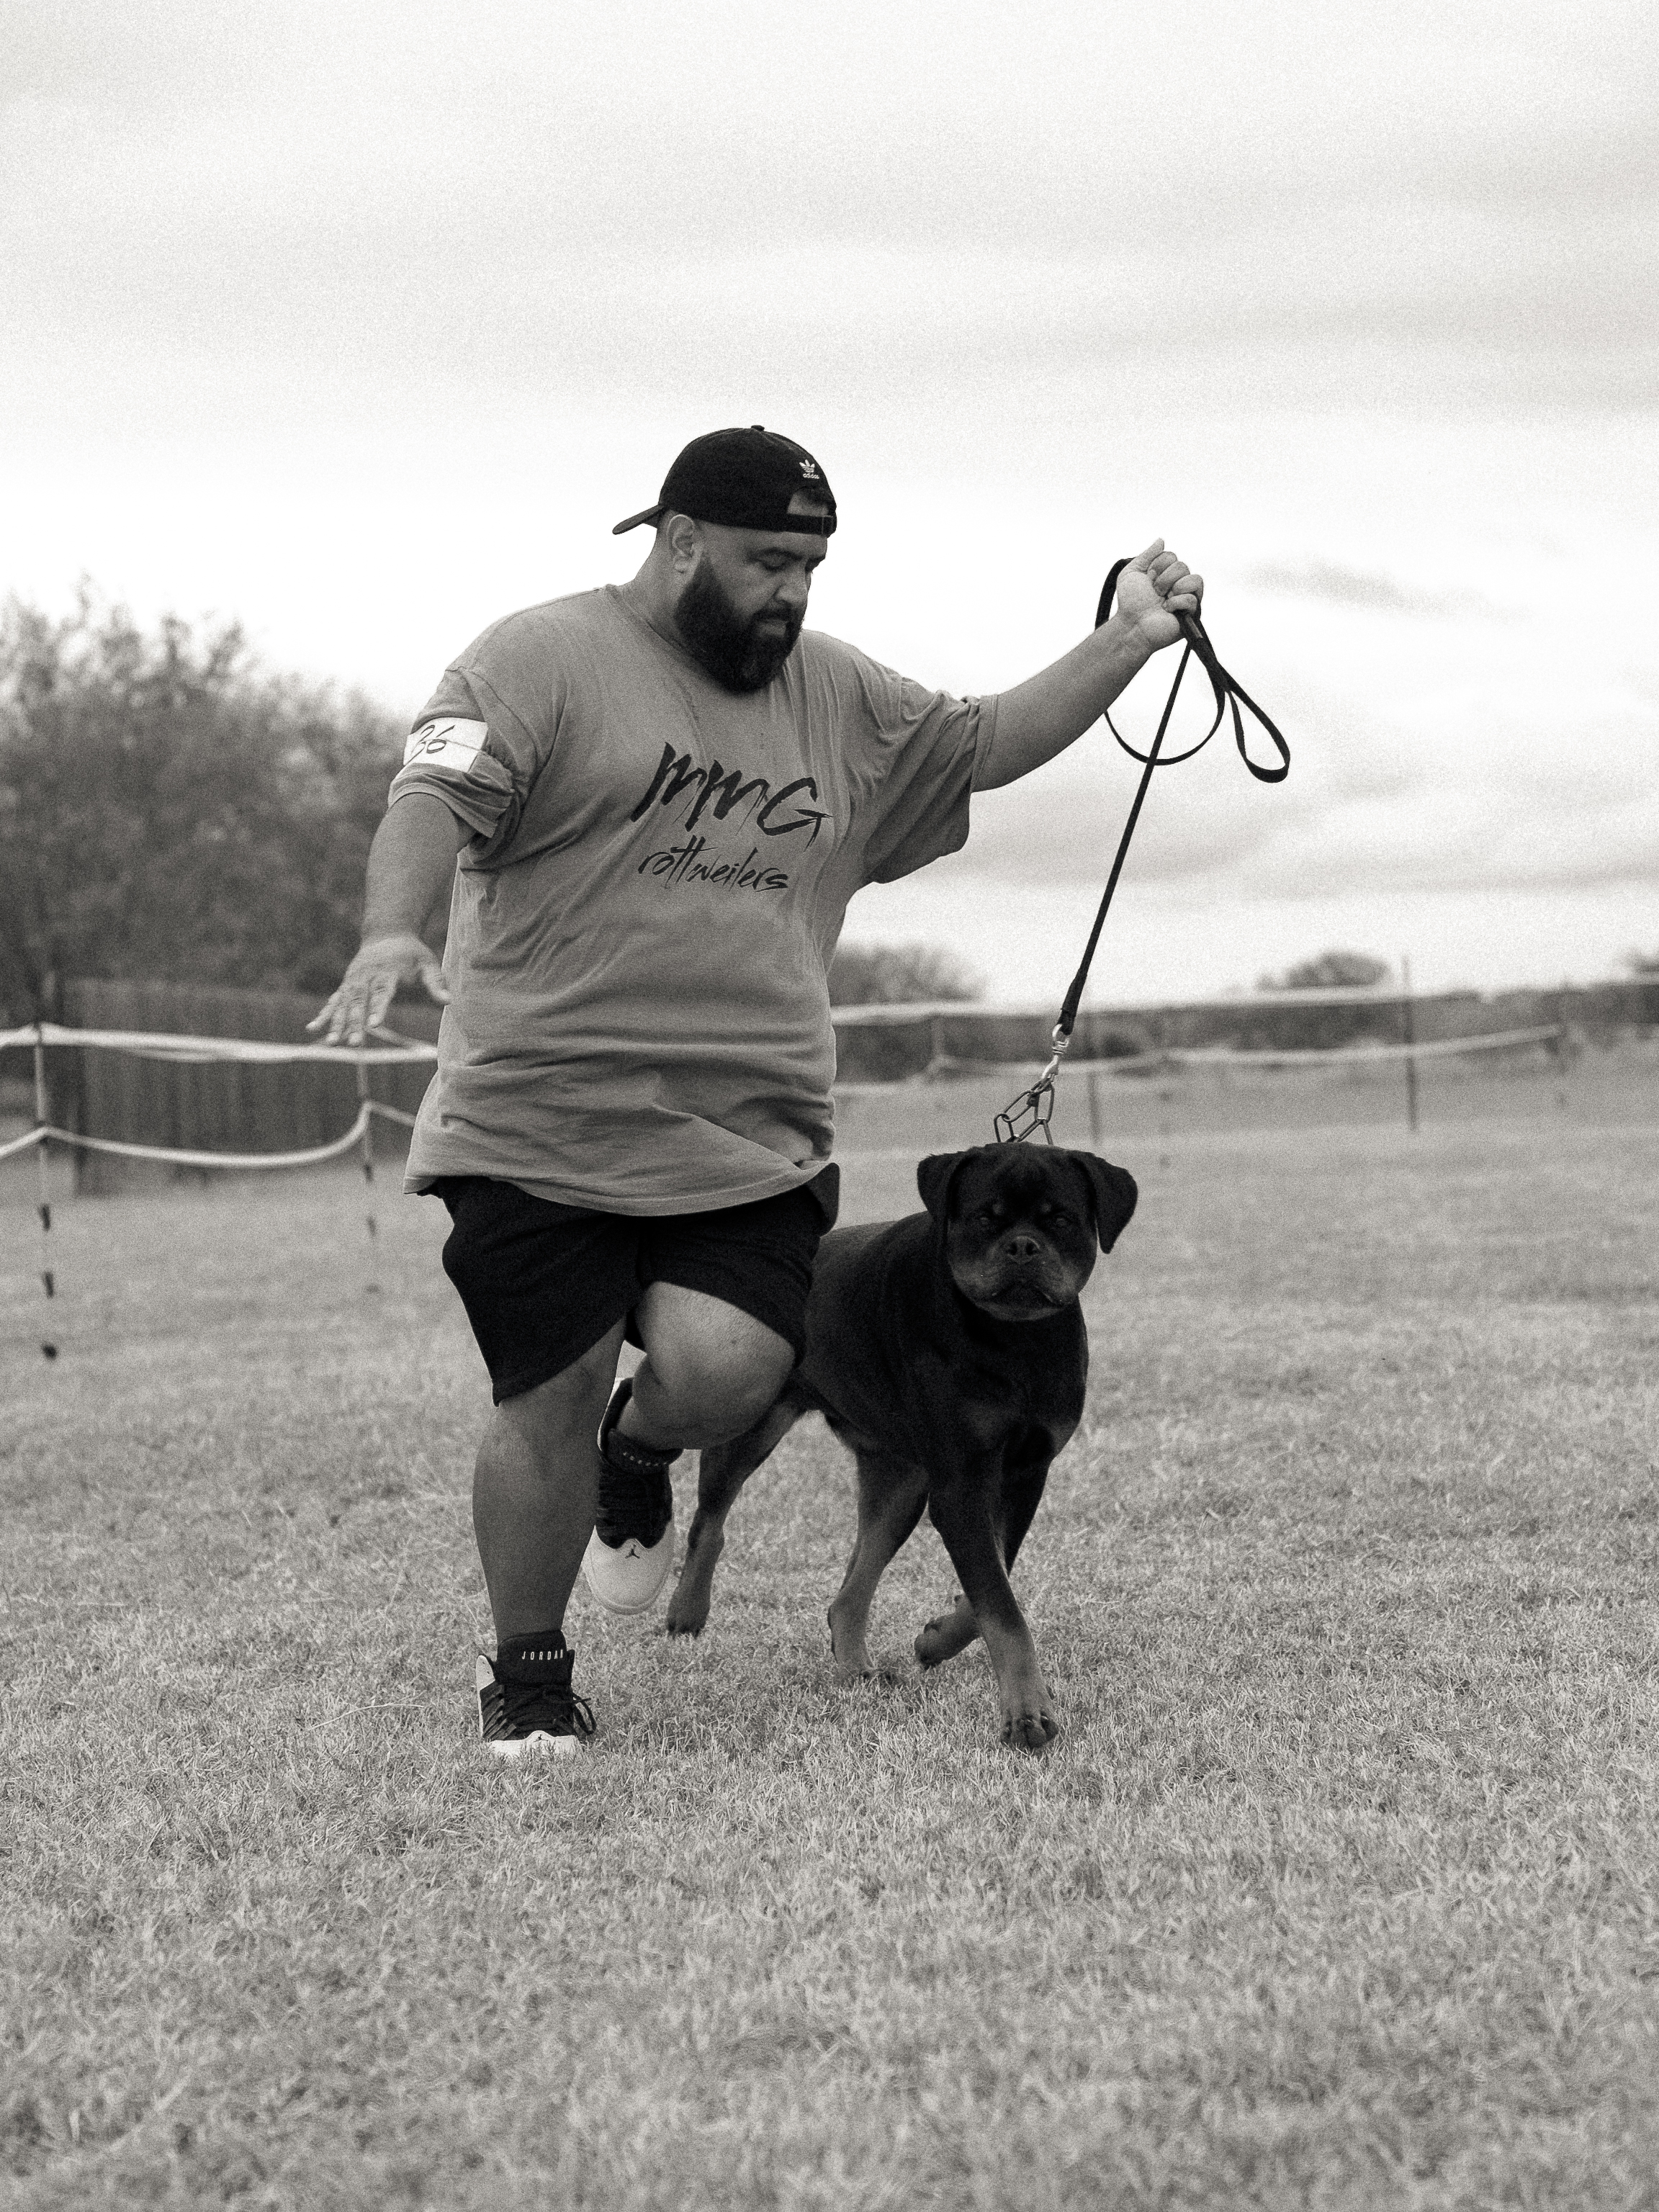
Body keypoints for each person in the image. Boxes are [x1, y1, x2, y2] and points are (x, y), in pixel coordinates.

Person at [311, 425, 1202, 1757]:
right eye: (766, 561)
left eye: (811, 566)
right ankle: (531, 1673)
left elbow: (989, 741)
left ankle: (641, 1449)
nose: (791, 592)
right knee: (543, 1393)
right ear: (676, 542)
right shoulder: (535, 659)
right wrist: (395, 928)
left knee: (728, 1375)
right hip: (538, 1116)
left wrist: (1125, 639)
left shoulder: (835, 695)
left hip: (750, 1131)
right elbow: (430, 796)